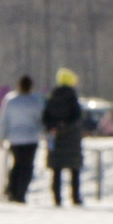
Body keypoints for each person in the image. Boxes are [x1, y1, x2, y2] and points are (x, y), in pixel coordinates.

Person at [43, 68, 86, 206]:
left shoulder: (52, 98)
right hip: (71, 139)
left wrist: (54, 127)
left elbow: (45, 118)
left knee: (56, 170)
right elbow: (77, 117)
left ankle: (57, 198)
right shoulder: (73, 98)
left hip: (56, 139)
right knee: (74, 170)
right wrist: (66, 126)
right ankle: (75, 197)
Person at [0, 74, 44, 203]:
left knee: (17, 165)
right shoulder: (35, 101)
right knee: (27, 167)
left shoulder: (11, 100)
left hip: (15, 138)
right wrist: (43, 134)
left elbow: (4, 120)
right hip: (31, 138)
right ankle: (21, 193)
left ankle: (12, 191)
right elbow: (40, 120)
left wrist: (1, 137)